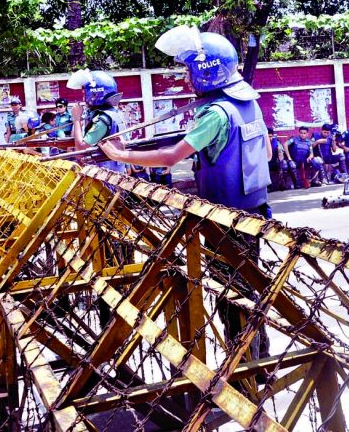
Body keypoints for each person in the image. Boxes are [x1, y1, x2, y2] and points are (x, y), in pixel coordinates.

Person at [99, 25, 273, 363]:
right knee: (250, 290)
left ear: (205, 73)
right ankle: (259, 359)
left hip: (225, 221)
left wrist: (122, 157)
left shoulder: (215, 113)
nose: (185, 78)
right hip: (255, 212)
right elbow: (264, 153)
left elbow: (170, 157)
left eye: (188, 71)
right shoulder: (248, 103)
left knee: (230, 296)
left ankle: (245, 368)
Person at [67, 70, 128, 174]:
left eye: (84, 94)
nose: (83, 98)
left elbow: (80, 152)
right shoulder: (114, 113)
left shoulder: (102, 119)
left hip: (105, 177)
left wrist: (76, 119)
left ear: (94, 94)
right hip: (114, 173)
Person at [268, 126, 299, 191]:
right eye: (267, 136)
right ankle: (268, 187)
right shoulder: (261, 143)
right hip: (265, 164)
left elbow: (280, 152)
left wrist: (280, 158)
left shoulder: (276, 142)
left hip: (274, 162)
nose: (269, 138)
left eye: (270, 136)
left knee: (284, 164)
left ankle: (284, 184)